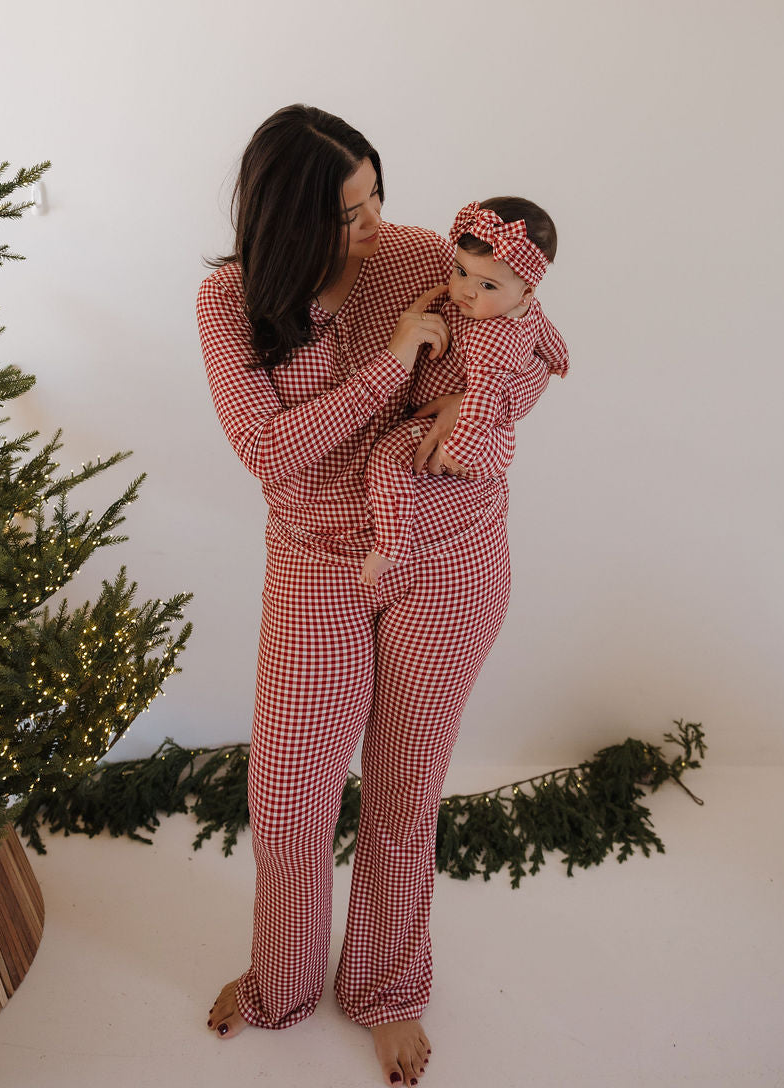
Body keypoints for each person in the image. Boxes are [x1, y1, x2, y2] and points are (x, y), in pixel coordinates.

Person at [196, 105, 559, 1087]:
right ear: (287, 221)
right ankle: (282, 981)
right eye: (349, 212)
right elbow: (268, 450)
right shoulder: (229, 302)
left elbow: (520, 339)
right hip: (317, 561)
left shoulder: (415, 256)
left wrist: (477, 411)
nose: (377, 225)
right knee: (285, 799)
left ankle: (387, 990)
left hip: (448, 550)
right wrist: (396, 362)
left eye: (376, 196)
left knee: (402, 791)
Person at [360, 197, 569, 589]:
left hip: (476, 436)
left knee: (388, 458)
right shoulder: (512, 308)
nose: (466, 291)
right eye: (460, 271)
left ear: (526, 293)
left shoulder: (491, 336)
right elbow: (549, 340)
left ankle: (392, 544)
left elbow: (482, 402)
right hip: (472, 430)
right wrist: (560, 361)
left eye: (487, 284)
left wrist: (458, 449)